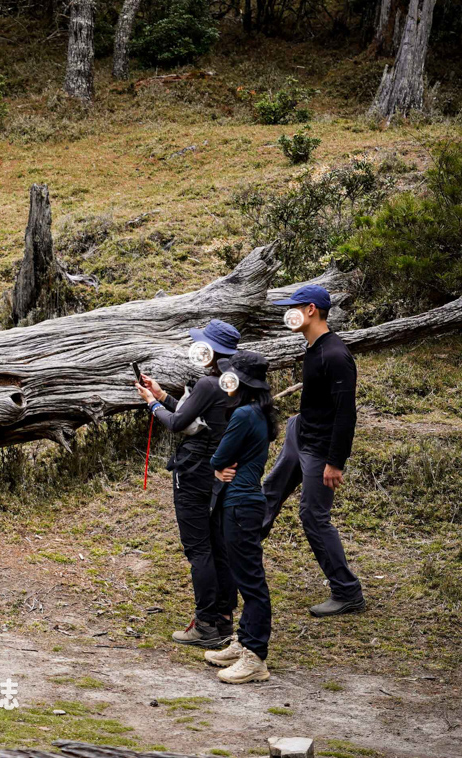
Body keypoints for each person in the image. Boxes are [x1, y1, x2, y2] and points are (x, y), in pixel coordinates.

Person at [135, 319, 240, 649]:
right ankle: (223, 620)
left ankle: (205, 625)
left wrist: (152, 403)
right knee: (219, 546)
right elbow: (198, 420)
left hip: (194, 472)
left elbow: (179, 423)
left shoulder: (208, 384)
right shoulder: (235, 382)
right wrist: (162, 395)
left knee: (199, 549)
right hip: (221, 471)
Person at [262, 284, 365, 617]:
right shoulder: (313, 347)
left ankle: (347, 592)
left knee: (313, 515)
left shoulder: (335, 355)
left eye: (293, 307)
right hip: (301, 432)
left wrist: (335, 462)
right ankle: (238, 553)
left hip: (320, 448)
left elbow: (346, 414)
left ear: (310, 310)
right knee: (270, 492)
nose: (288, 313)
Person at [204, 350, 278, 684]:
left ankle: (255, 656)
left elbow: (219, 457)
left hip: (240, 504)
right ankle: (244, 642)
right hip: (243, 503)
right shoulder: (257, 412)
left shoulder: (244, 415)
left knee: (250, 580)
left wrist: (216, 466)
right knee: (243, 574)